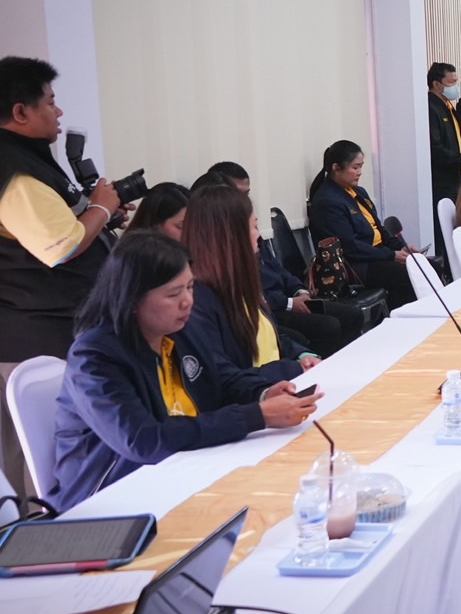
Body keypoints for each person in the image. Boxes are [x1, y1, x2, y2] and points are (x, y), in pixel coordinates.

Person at [49, 231, 322, 510]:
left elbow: (222, 378)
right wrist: (257, 416)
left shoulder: (178, 330)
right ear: (131, 300)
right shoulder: (95, 357)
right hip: (115, 497)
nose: (187, 301)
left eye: (190, 287)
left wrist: (263, 393)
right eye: (173, 293)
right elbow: (143, 441)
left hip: (187, 468)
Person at [0, 56, 126, 496]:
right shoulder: (12, 171)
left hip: (56, 328)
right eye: (50, 102)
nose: (59, 112)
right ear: (21, 111)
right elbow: (60, 245)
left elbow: (65, 223)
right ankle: (40, 532)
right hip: (33, 338)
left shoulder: (28, 159)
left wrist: (102, 213)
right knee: (40, 459)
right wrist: (101, 209)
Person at [205, 160, 356, 357]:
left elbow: (277, 268)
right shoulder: (221, 254)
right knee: (326, 327)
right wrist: (289, 303)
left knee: (351, 315)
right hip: (273, 307)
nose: (243, 200)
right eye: (237, 194)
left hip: (284, 298)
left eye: (246, 194)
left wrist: (299, 289)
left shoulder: (251, 234)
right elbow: (256, 296)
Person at [179, 185, 317, 383]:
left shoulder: (238, 281)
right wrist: (290, 369)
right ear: (229, 235)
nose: (258, 235)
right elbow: (223, 377)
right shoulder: (200, 300)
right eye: (253, 227)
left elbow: (266, 336)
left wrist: (301, 355)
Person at [306, 140, 418, 307]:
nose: (359, 173)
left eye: (361, 167)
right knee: (412, 275)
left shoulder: (359, 192)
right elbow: (350, 247)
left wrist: (401, 248)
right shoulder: (327, 201)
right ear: (336, 168)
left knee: (428, 267)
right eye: (355, 167)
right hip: (357, 265)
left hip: (379, 254)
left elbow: (379, 229)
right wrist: (392, 255)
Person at [426, 61, 461, 263]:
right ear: (437, 84)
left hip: (456, 175)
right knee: (443, 228)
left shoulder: (447, 106)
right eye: (451, 82)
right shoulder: (431, 107)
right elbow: (435, 148)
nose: (455, 87)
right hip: (442, 178)